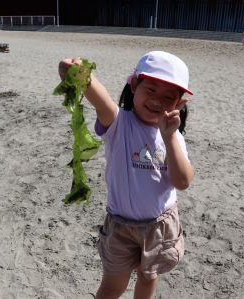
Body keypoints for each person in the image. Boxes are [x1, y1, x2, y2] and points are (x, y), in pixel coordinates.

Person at [58, 51, 194, 299]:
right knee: (112, 287)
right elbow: (102, 101)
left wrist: (170, 136)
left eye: (168, 97)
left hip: (159, 227)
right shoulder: (119, 124)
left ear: (179, 104)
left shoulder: (175, 137)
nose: (157, 100)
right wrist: (82, 75)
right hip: (120, 226)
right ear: (134, 85)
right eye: (150, 89)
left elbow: (182, 182)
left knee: (148, 276)